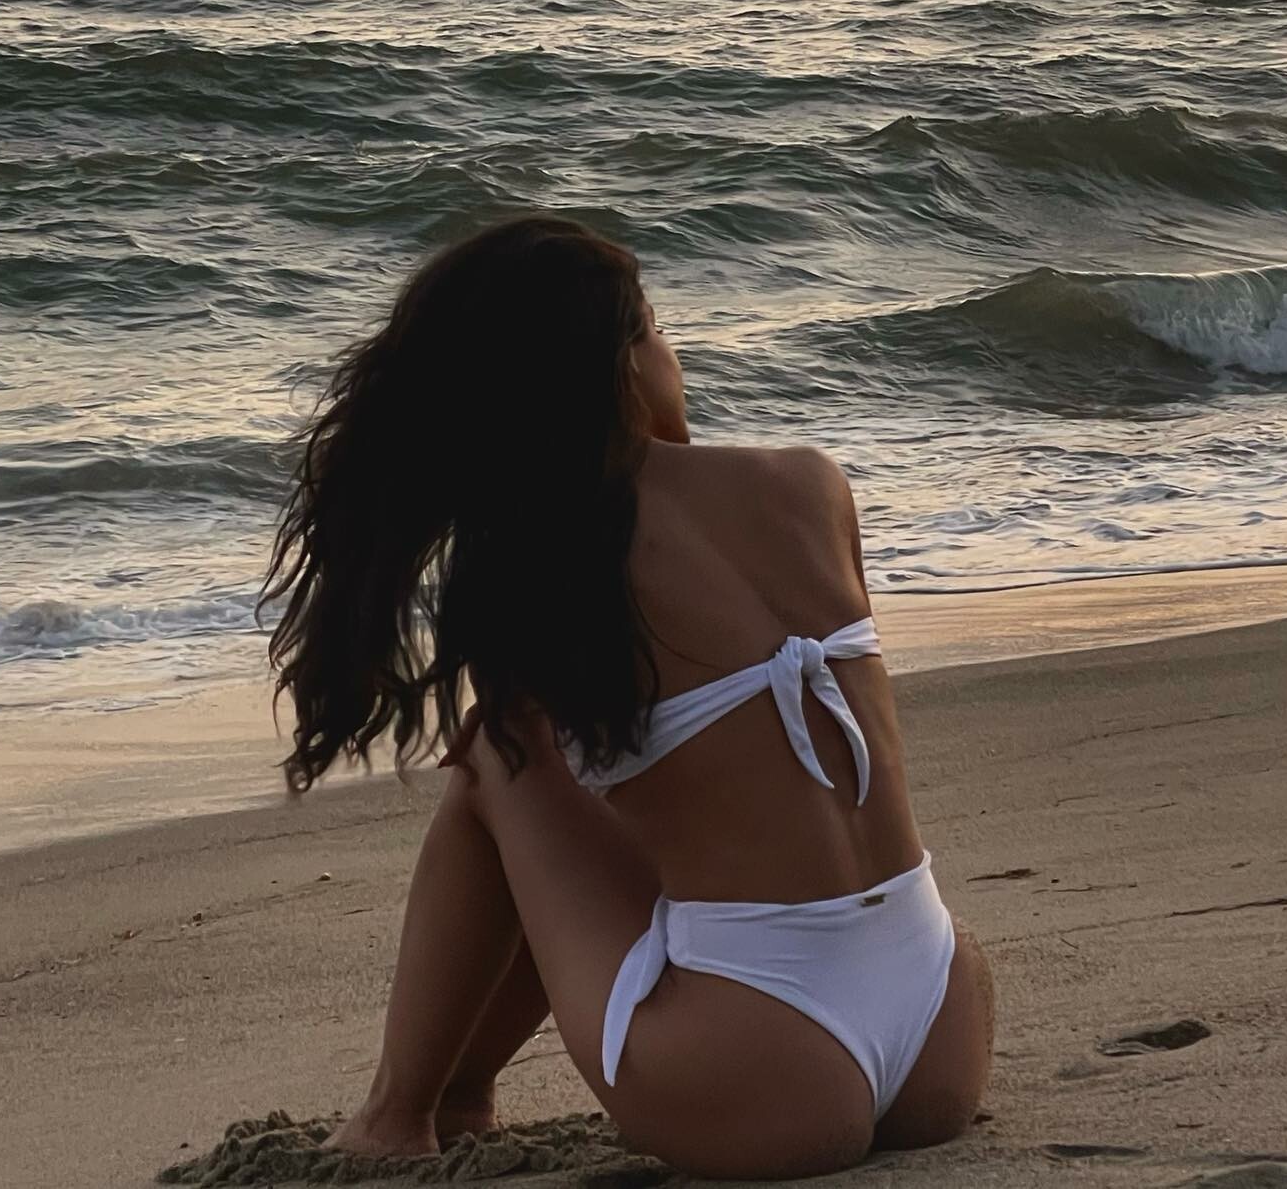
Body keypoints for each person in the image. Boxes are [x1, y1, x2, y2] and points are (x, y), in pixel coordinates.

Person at [258, 213, 994, 1180]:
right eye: (658, 328)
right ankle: (452, 1092)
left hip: (762, 1069)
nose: (673, 352)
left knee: (493, 759)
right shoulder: (810, 484)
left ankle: (407, 1109)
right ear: (619, 365)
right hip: (943, 1024)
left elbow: (548, 794)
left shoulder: (553, 562)